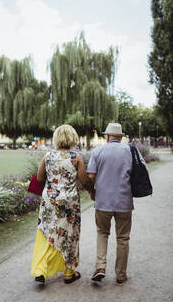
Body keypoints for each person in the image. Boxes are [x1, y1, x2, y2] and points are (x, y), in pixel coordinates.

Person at [31, 124, 94, 285]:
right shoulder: (76, 157)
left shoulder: (48, 156)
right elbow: (84, 180)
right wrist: (92, 191)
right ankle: (69, 272)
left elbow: (39, 178)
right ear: (72, 138)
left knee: (47, 231)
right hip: (69, 202)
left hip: (49, 201)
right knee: (70, 234)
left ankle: (40, 270)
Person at [87, 122, 146, 285]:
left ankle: (100, 267)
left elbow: (90, 176)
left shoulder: (97, 151)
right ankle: (121, 275)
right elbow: (142, 170)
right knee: (123, 238)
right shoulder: (131, 151)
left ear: (107, 136)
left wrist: (92, 192)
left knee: (102, 233)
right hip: (124, 201)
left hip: (102, 201)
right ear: (120, 137)